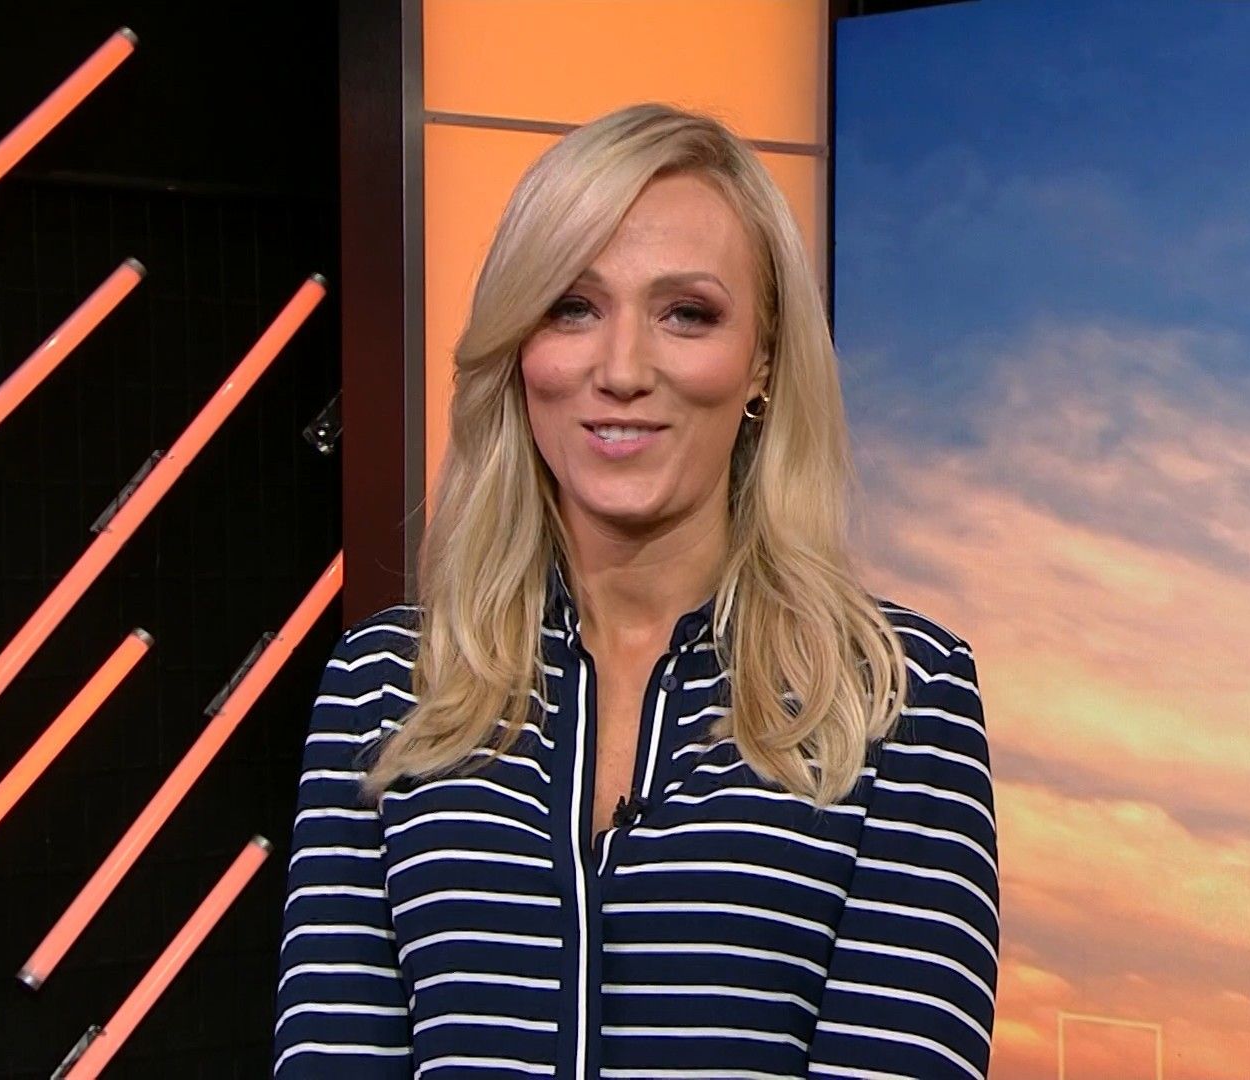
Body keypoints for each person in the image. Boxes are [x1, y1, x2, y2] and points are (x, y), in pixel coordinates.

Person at [274, 102, 998, 1078]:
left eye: (686, 314)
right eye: (572, 307)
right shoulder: (385, 682)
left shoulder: (897, 693)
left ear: (763, 361)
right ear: (519, 348)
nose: (621, 370)